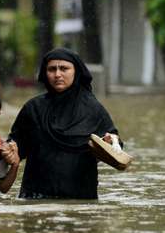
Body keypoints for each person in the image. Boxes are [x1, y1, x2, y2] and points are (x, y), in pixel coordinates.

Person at [8, 48, 122, 200]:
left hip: (81, 201)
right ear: (44, 73)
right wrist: (9, 149)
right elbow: (15, 146)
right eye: (51, 69)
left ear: (76, 72)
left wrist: (109, 142)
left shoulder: (93, 110)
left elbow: (116, 147)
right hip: (35, 199)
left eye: (64, 69)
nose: (57, 74)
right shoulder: (33, 108)